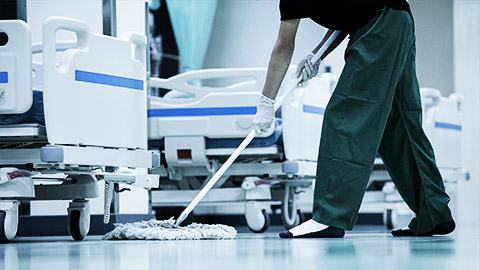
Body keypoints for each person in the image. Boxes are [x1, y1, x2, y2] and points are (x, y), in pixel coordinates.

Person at [252, 0, 456, 238]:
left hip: (381, 22)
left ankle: (329, 217)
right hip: (397, 21)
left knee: (344, 116)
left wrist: (266, 101)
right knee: (399, 123)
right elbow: (345, 17)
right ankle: (434, 214)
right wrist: (317, 54)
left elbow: (284, 48)